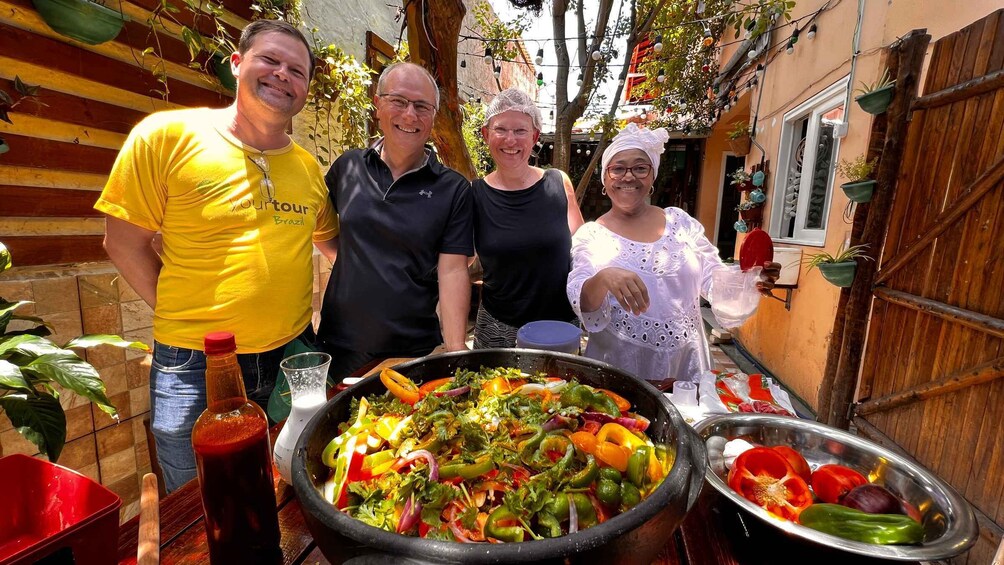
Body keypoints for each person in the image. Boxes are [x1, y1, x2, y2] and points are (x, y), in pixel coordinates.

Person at [95, 20, 339, 492]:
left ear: (306, 87)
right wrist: (184, 317)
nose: (282, 75)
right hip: (196, 366)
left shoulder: (308, 168)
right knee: (202, 499)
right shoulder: (165, 136)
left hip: (291, 355)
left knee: (293, 483)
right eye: (270, 60)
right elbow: (123, 243)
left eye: (297, 70)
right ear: (237, 64)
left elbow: (332, 244)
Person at [566, 123, 779, 388]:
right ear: (605, 178)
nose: (628, 177)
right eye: (617, 168)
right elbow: (582, 300)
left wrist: (750, 279)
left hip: (686, 369)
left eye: (640, 167)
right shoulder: (591, 235)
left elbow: (714, 277)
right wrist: (605, 278)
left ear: (652, 175)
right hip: (618, 373)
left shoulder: (680, 223)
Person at [317, 62, 474, 380]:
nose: (409, 115)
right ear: (377, 105)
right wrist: (356, 263)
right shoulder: (347, 167)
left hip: (412, 350)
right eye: (398, 101)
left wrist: (456, 351)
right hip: (340, 344)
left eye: (421, 106)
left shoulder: (453, 188)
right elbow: (320, 230)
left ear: (433, 117)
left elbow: (453, 269)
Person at [472, 88, 584, 348]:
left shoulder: (559, 182)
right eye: (501, 129)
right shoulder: (473, 195)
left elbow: (582, 250)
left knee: (562, 391)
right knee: (492, 389)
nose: (510, 140)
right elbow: (456, 263)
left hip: (559, 328)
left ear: (534, 136)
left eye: (520, 131)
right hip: (498, 329)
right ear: (486, 134)